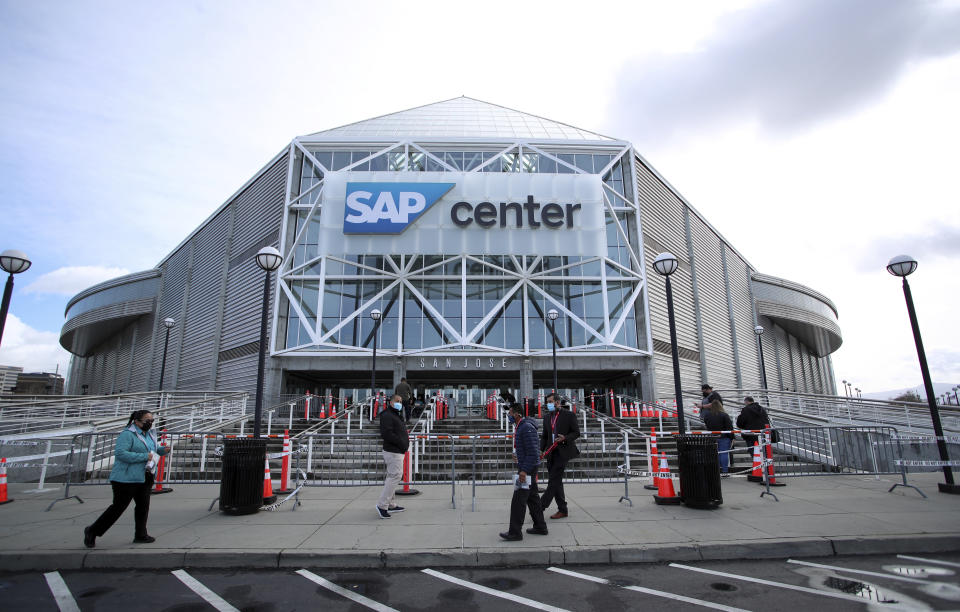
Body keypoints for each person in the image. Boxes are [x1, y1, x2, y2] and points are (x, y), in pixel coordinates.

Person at [83, 410, 169, 547]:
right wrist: (144, 457)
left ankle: (141, 534)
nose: (150, 423)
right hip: (126, 478)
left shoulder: (149, 435)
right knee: (118, 507)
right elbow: (121, 454)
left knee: (143, 507)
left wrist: (162, 450)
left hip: (145, 476)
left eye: (152, 420)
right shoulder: (127, 434)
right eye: (147, 420)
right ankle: (92, 530)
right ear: (137, 421)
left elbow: (152, 450)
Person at [500, 403, 547, 540]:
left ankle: (515, 532)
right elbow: (528, 449)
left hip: (528, 468)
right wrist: (518, 456)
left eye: (510, 413)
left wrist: (524, 471)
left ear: (516, 414)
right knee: (532, 498)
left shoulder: (526, 427)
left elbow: (533, 452)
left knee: (518, 500)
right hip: (527, 465)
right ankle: (540, 526)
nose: (508, 416)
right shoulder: (521, 426)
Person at [539, 393, 580, 519]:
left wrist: (565, 438)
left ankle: (539, 507)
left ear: (557, 402)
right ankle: (563, 509)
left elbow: (576, 433)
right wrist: (540, 450)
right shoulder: (547, 417)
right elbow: (545, 436)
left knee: (553, 481)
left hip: (563, 452)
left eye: (550, 402)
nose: (548, 404)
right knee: (556, 482)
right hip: (551, 452)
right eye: (547, 402)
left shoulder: (569, 415)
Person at [376, 394, 409, 519]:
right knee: (395, 476)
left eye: (400, 401)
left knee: (392, 476)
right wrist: (401, 443)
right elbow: (387, 433)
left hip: (397, 451)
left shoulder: (395, 414)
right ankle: (382, 505)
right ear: (390, 402)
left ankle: (390, 504)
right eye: (397, 401)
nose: (399, 403)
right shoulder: (387, 415)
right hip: (393, 451)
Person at [702, 399, 734, 476]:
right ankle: (724, 471)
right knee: (723, 453)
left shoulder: (707, 415)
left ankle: (716, 470)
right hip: (724, 437)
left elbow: (707, 426)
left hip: (712, 437)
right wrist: (732, 437)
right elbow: (729, 427)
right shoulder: (724, 415)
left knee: (715, 454)